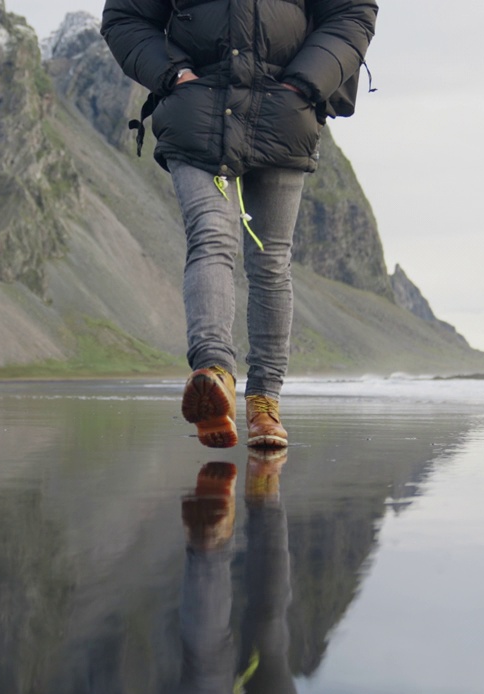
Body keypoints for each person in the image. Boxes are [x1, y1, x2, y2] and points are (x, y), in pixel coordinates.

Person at [101, 0, 378, 449]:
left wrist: (306, 83)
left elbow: (352, 12)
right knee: (212, 236)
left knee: (269, 260)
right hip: (198, 112)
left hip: (283, 112)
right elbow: (124, 17)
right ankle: (214, 376)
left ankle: (264, 402)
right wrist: (174, 76)